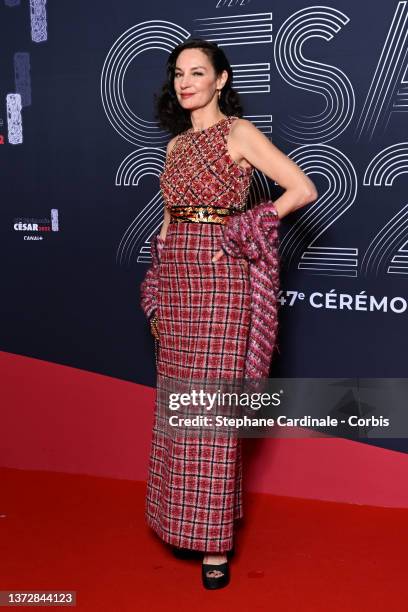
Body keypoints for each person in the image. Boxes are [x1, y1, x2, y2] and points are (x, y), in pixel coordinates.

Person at [140, 38, 318, 590]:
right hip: (179, 284)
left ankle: (214, 546)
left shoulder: (237, 132)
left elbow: (302, 188)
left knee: (212, 416)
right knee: (178, 405)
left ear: (220, 80)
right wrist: (158, 277)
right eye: (178, 73)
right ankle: (181, 520)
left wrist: (241, 231)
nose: (186, 81)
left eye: (198, 72)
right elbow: (171, 219)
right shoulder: (173, 147)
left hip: (222, 284)